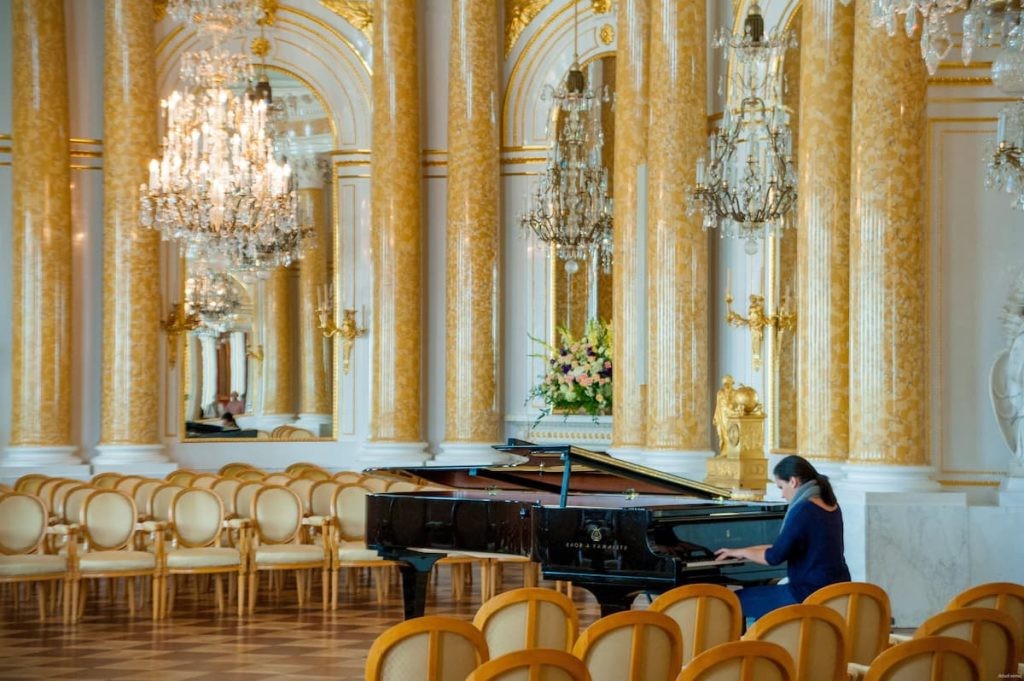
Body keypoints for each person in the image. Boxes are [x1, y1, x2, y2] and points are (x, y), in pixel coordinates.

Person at [714, 455, 850, 621]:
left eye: (781, 487)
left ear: (793, 481)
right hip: (835, 591)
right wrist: (744, 551)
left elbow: (774, 556)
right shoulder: (830, 505)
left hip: (807, 594)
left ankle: (746, 646)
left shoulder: (804, 509)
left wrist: (742, 551)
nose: (782, 495)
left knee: (732, 600)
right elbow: (786, 546)